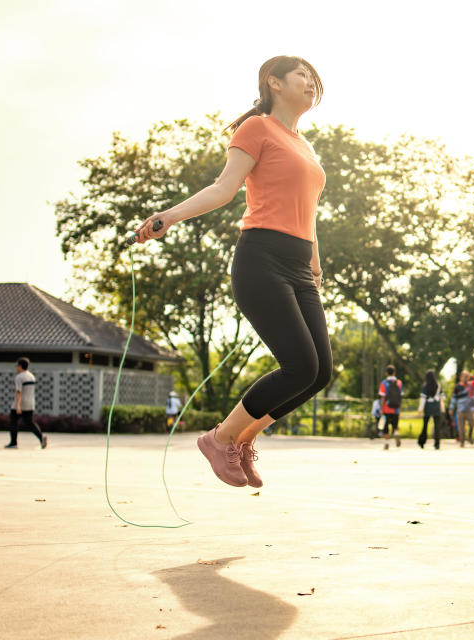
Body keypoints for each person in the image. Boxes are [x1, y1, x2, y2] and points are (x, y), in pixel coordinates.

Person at [134, 56, 328, 488]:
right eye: (302, 75)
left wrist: (315, 268)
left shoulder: (306, 145)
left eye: (314, 78)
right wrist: (170, 215)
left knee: (320, 373)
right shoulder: (256, 128)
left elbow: (310, 214)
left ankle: (241, 440)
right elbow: (224, 188)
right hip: (262, 259)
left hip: (300, 267)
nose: (311, 82)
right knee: (299, 366)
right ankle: (219, 438)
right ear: (274, 83)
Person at [5, 357, 47, 449]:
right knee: (30, 423)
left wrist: (18, 406)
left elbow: (19, 392)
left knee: (13, 422)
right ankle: (41, 437)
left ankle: (13, 442)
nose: (16, 367)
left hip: (20, 404)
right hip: (30, 403)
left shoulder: (19, 377)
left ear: (20, 366)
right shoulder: (31, 376)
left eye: (17, 366)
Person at [449, 371, 474, 447]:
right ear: (460, 377)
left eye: (467, 376)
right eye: (464, 376)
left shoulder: (472, 384)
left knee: (472, 424)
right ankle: (462, 442)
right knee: (461, 427)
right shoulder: (457, 387)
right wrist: (451, 408)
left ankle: (470, 436)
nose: (465, 378)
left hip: (470, 409)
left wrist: (472, 376)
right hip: (460, 410)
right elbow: (454, 398)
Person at [378, 365, 403, 450]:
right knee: (395, 425)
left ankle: (386, 443)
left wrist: (381, 409)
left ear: (386, 373)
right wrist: (400, 408)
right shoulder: (399, 383)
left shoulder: (384, 383)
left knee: (386, 427)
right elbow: (400, 397)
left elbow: (383, 397)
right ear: (394, 372)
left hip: (386, 408)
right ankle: (396, 433)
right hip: (396, 408)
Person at [417, 369, 443, 449]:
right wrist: (442, 409)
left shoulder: (425, 386)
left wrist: (419, 411)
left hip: (428, 407)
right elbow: (442, 397)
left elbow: (423, 399)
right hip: (436, 407)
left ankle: (422, 441)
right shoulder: (438, 385)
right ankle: (437, 443)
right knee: (437, 427)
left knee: (425, 426)